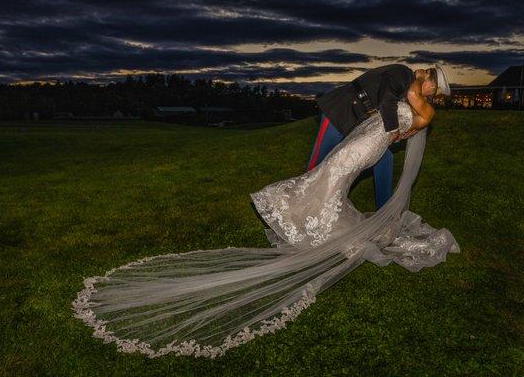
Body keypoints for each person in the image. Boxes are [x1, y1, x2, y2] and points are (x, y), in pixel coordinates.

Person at [72, 65, 459, 360]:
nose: (428, 87)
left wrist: (395, 125)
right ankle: (308, 213)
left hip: (370, 140)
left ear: (432, 89)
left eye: (432, 87)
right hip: (366, 135)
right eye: (430, 83)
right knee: (329, 174)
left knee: (332, 174)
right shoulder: (403, 81)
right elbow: (387, 100)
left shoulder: (419, 102)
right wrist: (388, 120)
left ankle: (307, 215)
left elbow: (405, 117)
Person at [307, 64, 450, 208]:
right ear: (431, 84)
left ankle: (383, 211)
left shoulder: (408, 87)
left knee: (385, 158)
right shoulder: (403, 73)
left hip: (360, 120)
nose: (429, 96)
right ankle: (302, 198)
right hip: (341, 109)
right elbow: (386, 98)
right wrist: (393, 130)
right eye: (432, 92)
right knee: (319, 160)